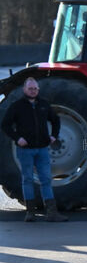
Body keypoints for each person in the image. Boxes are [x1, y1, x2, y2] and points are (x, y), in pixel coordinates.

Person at [1, 78, 67, 221]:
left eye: (35, 89)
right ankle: (30, 213)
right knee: (28, 179)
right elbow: (5, 125)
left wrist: (54, 136)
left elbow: (55, 120)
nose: (33, 91)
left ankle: (51, 213)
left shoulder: (43, 105)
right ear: (24, 89)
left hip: (42, 149)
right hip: (25, 150)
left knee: (46, 179)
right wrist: (17, 138)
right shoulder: (17, 106)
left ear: (38, 90)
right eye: (30, 88)